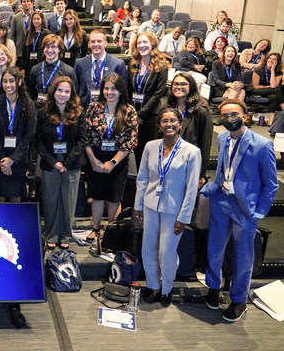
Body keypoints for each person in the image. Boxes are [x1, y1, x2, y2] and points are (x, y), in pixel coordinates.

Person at [201, 99, 277, 322]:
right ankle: (213, 288)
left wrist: (259, 212)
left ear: (245, 115)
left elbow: (271, 184)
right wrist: (213, 188)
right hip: (221, 201)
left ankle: (238, 300)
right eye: (224, 115)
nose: (229, 118)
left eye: (234, 113)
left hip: (245, 208)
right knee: (214, 249)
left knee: (244, 255)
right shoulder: (223, 137)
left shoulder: (262, 145)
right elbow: (223, 170)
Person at [133, 107, 202, 307]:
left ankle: (167, 289)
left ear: (180, 124)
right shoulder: (150, 146)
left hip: (174, 210)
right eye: (165, 121)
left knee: (166, 252)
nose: (169, 124)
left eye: (173, 121)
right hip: (150, 205)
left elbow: (191, 188)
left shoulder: (191, 151)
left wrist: (184, 216)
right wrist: (138, 205)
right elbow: (142, 177)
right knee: (148, 249)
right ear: (159, 125)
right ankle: (154, 286)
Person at [84, 73, 138, 241]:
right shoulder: (94, 107)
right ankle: (95, 228)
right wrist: (93, 160)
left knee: (114, 197)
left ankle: (111, 232)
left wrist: (113, 162)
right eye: (106, 88)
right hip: (96, 158)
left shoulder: (129, 110)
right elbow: (84, 136)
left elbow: (132, 140)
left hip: (118, 160)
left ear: (121, 90)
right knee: (97, 195)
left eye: (113, 88)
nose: (109, 92)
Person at [37, 76, 86, 249]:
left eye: (67, 91)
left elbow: (82, 140)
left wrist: (68, 162)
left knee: (68, 201)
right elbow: (39, 142)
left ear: (71, 94)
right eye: (60, 90)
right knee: (51, 201)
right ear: (53, 91)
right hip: (50, 163)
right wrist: (54, 162)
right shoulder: (43, 113)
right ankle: (51, 234)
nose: (63, 94)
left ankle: (65, 235)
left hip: (71, 164)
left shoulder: (79, 112)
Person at [0, 66, 36, 202]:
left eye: (11, 81)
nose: (8, 85)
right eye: (4, 81)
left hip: (18, 159)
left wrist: (12, 159)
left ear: (19, 82)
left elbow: (27, 136)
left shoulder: (29, 104)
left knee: (16, 196)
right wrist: (3, 161)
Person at [128, 32, 170, 167]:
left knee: (149, 152)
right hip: (133, 113)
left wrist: (140, 114)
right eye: (139, 43)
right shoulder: (133, 63)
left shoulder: (161, 66)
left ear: (152, 44)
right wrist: (132, 112)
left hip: (151, 116)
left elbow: (158, 94)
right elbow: (129, 89)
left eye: (145, 42)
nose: (141, 45)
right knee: (137, 151)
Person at [163, 73, 213, 183]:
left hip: (189, 163)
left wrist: (201, 173)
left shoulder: (201, 111)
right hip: (168, 162)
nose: (178, 86)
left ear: (191, 87)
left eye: (183, 84)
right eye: (175, 84)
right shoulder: (166, 108)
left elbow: (205, 143)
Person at [75, 29, 127, 110]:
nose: (96, 44)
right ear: (89, 44)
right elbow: (76, 89)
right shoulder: (80, 63)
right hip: (85, 108)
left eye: (99, 41)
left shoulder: (118, 64)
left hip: (110, 109)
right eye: (93, 41)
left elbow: (123, 91)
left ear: (105, 43)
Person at [28, 34, 78, 108]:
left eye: (53, 47)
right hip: (38, 110)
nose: (50, 50)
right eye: (47, 46)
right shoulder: (35, 69)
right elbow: (31, 92)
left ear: (60, 49)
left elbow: (73, 96)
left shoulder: (68, 72)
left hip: (58, 111)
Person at [249, 52, 284, 125]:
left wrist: (272, 71)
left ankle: (270, 122)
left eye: (274, 59)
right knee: (277, 90)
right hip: (255, 90)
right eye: (270, 58)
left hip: (270, 92)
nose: (271, 60)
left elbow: (273, 85)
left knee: (274, 97)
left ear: (277, 62)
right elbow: (256, 86)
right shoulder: (258, 69)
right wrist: (269, 87)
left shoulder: (278, 72)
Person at [22, 10, 50, 84]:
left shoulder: (47, 33)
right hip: (29, 64)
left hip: (41, 62)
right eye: (34, 19)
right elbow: (24, 50)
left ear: (42, 20)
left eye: (38, 19)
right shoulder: (29, 32)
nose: (36, 21)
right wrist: (22, 68)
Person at [10, 0, 34, 67]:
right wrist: (14, 53)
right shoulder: (15, 17)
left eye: (28, 1)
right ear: (21, 3)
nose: (26, 3)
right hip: (19, 51)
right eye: (24, 2)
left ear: (32, 3)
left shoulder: (36, 17)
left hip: (32, 50)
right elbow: (12, 36)